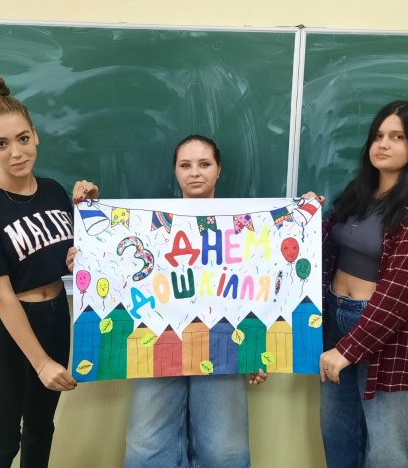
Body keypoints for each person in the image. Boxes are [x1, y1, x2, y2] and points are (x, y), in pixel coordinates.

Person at [68, 134, 267, 468]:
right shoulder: (149, 223)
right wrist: (88, 257)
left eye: (204, 164)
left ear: (219, 169)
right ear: (175, 170)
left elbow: (262, 286)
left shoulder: (246, 225)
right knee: (147, 446)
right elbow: (121, 268)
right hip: (158, 340)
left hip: (223, 344)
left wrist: (259, 349)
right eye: (185, 165)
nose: (195, 172)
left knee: (223, 450)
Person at [312, 101, 408, 467]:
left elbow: (398, 295)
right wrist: (306, 217)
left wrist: (347, 350)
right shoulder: (358, 193)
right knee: (340, 441)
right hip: (336, 321)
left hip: (394, 338)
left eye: (397, 137)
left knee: (389, 455)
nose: (383, 144)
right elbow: (326, 251)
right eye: (378, 136)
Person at [0, 77, 77, 468]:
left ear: (35, 135)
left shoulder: (55, 191)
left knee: (40, 429)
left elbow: (68, 259)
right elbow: (2, 295)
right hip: (5, 331)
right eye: (1, 143)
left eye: (23, 139)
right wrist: (41, 362)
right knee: (2, 440)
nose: (16, 152)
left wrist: (90, 217)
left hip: (55, 318)